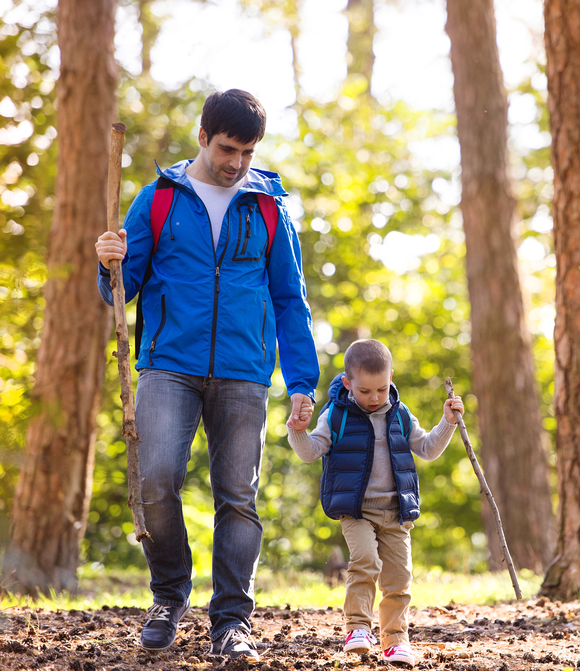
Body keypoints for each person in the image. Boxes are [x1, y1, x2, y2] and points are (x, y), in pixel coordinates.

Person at [95, 89, 319, 659]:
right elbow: (122, 289)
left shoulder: (269, 207)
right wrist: (108, 264)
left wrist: (301, 383)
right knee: (156, 480)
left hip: (245, 372)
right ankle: (170, 595)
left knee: (237, 497)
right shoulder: (159, 199)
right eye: (227, 148)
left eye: (247, 151)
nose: (236, 162)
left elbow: (290, 299)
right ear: (202, 136)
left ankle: (232, 620)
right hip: (169, 364)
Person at [285, 338, 463, 667]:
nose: (374, 398)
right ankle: (358, 629)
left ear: (390, 377)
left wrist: (447, 423)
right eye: (365, 391)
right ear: (348, 383)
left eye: (381, 389)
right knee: (365, 561)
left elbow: (426, 448)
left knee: (399, 578)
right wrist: (297, 430)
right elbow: (310, 452)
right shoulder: (335, 415)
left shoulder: (400, 413)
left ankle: (395, 640)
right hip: (356, 510)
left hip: (396, 511)